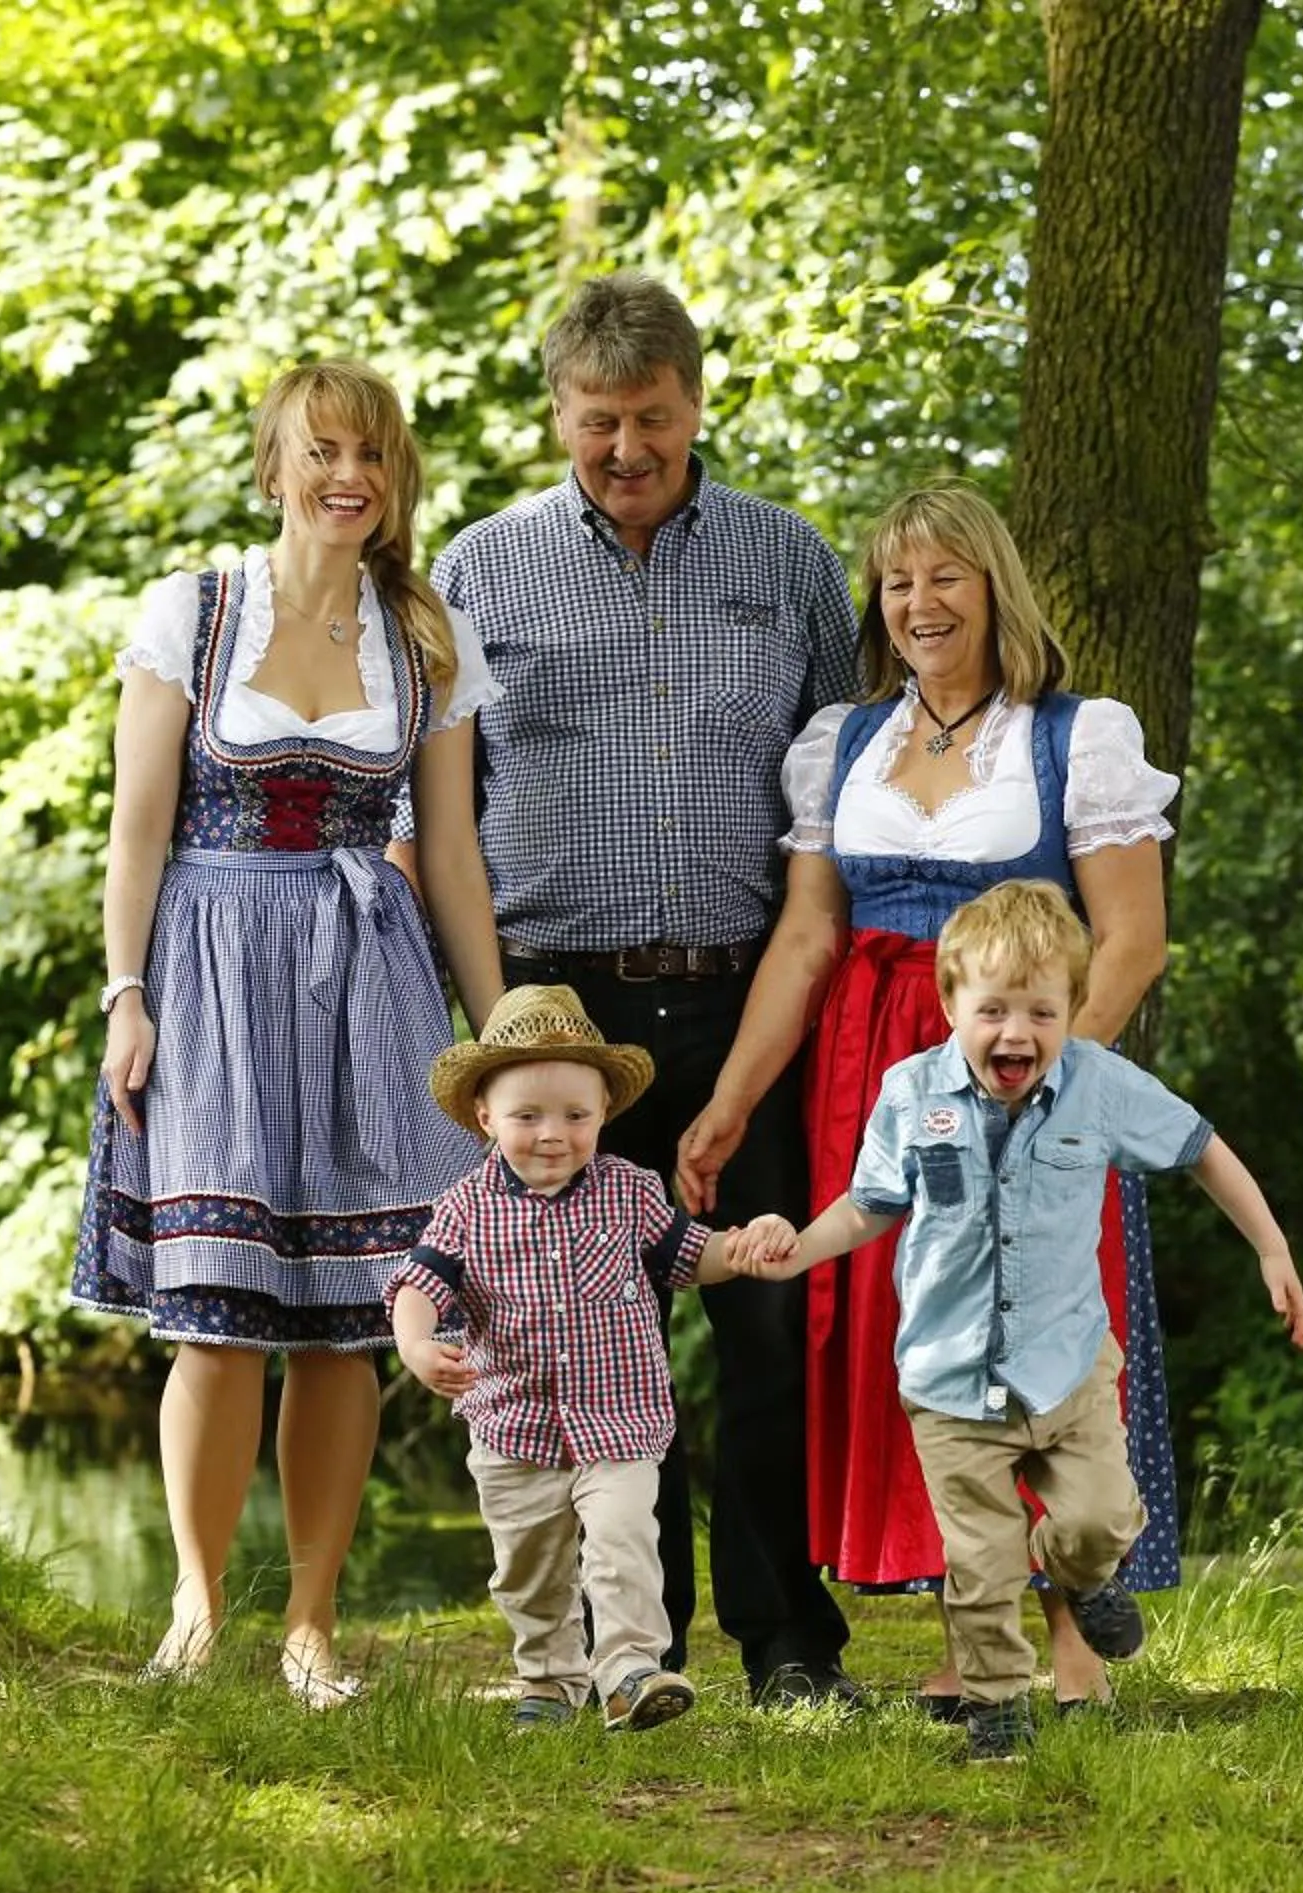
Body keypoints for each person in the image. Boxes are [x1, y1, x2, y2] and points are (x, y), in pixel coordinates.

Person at [675, 481, 1181, 1712]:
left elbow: (1130, 938)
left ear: (994, 585)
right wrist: (735, 1101)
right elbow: (805, 941)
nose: (919, 602)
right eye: (898, 582)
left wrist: (1052, 1080)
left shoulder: (1074, 733)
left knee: (1050, 1323)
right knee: (935, 1342)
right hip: (878, 1077)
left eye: (944, 575)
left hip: (1022, 1055)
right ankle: (976, 1634)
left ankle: (1072, 1637)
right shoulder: (843, 742)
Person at [431, 273, 864, 1707]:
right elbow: (445, 810)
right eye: (600, 420)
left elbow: (833, 803)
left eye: (655, 420)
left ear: (697, 403)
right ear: (558, 409)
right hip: (560, 1013)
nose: (627, 447)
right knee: (588, 1340)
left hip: (745, 1003)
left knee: (764, 1320)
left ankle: (788, 1639)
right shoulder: (482, 571)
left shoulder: (790, 562)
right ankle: (637, 1647)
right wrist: (498, 1028)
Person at [69, 359, 504, 1706]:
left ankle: (312, 1624)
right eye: (322, 452)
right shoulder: (192, 615)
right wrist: (122, 993)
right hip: (206, 964)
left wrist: (501, 1040)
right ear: (275, 464)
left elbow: (450, 854)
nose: (347, 478)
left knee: (353, 1315)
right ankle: (196, 1615)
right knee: (218, 1311)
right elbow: (137, 828)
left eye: (370, 456)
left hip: (367, 972)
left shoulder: (424, 639)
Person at [732, 881, 1303, 1757]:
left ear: (1073, 1009)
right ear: (950, 1004)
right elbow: (870, 1205)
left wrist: (1271, 1248)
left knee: (1100, 1518)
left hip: (1069, 1368)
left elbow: (1202, 1148)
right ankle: (998, 1712)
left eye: (1041, 1012)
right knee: (981, 1563)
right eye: (993, 1009)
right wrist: (798, 1251)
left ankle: (1087, 1578)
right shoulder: (910, 1093)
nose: (1017, 1033)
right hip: (949, 1378)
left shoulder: (1099, 1085)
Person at [387, 986, 785, 1731]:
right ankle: (548, 1679)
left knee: (626, 1541)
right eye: (527, 1116)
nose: (552, 1135)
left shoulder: (629, 1192)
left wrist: (748, 1243)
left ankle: (631, 1668)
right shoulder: (466, 1206)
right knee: (530, 1569)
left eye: (576, 1116)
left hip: (619, 1419)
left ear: (605, 1113)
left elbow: (695, 1256)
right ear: (485, 1117)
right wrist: (416, 1343)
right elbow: (419, 1284)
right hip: (514, 1428)